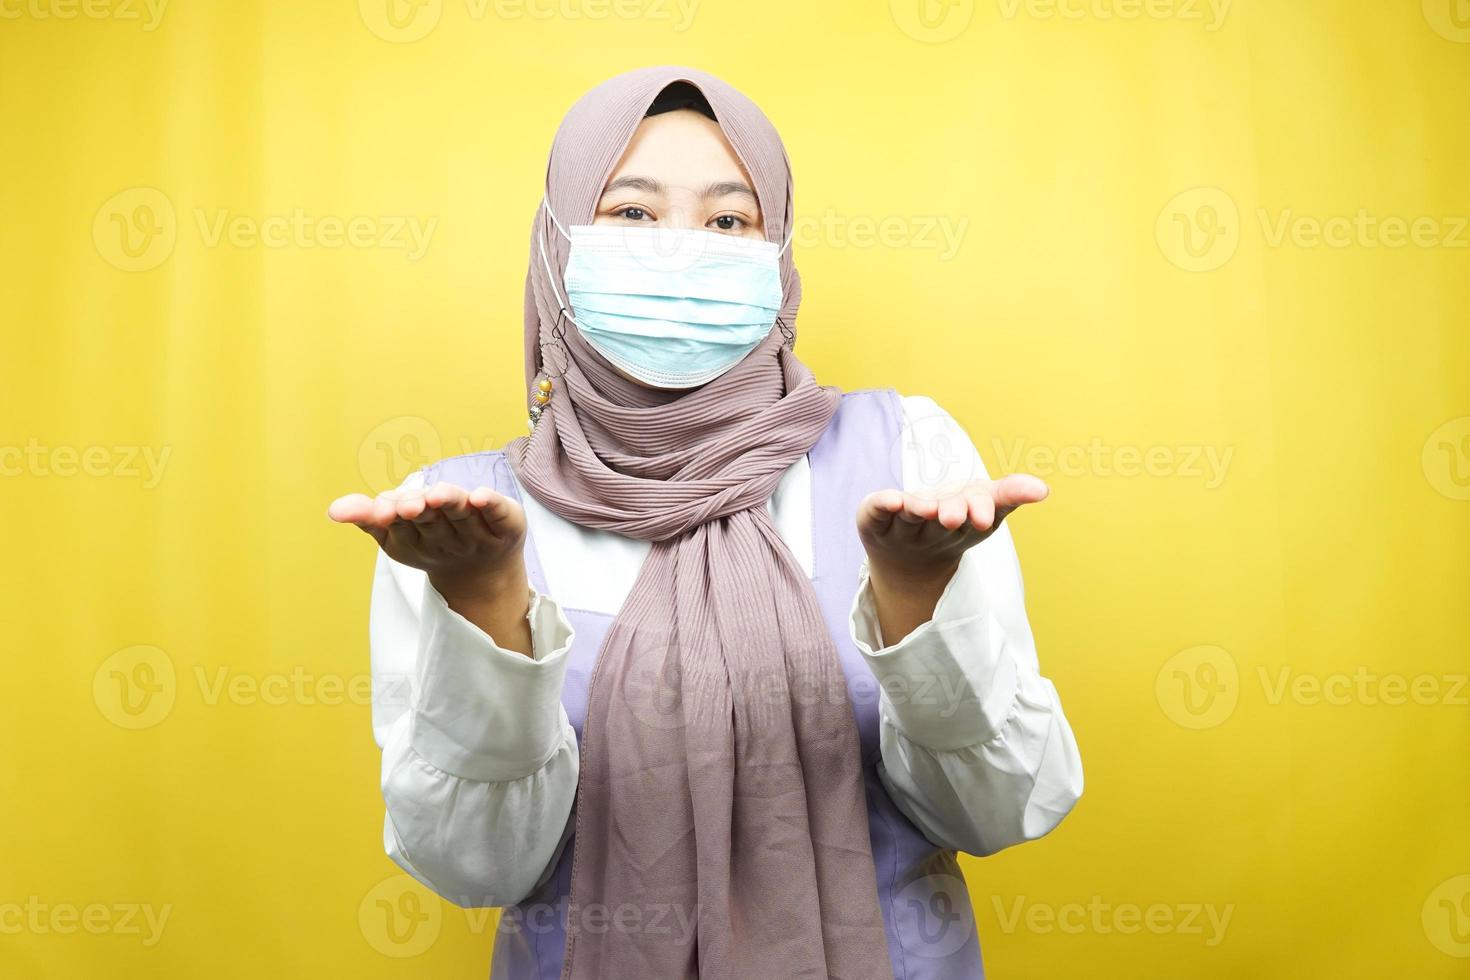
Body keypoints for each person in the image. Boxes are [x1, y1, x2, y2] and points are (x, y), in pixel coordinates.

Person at [328, 65, 1083, 980]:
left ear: (780, 250)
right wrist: (488, 606)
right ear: (557, 244)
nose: (681, 248)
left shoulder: (910, 457)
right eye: (632, 213)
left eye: (729, 220)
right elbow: (473, 869)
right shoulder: (458, 525)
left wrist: (918, 605)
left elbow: (1004, 812)